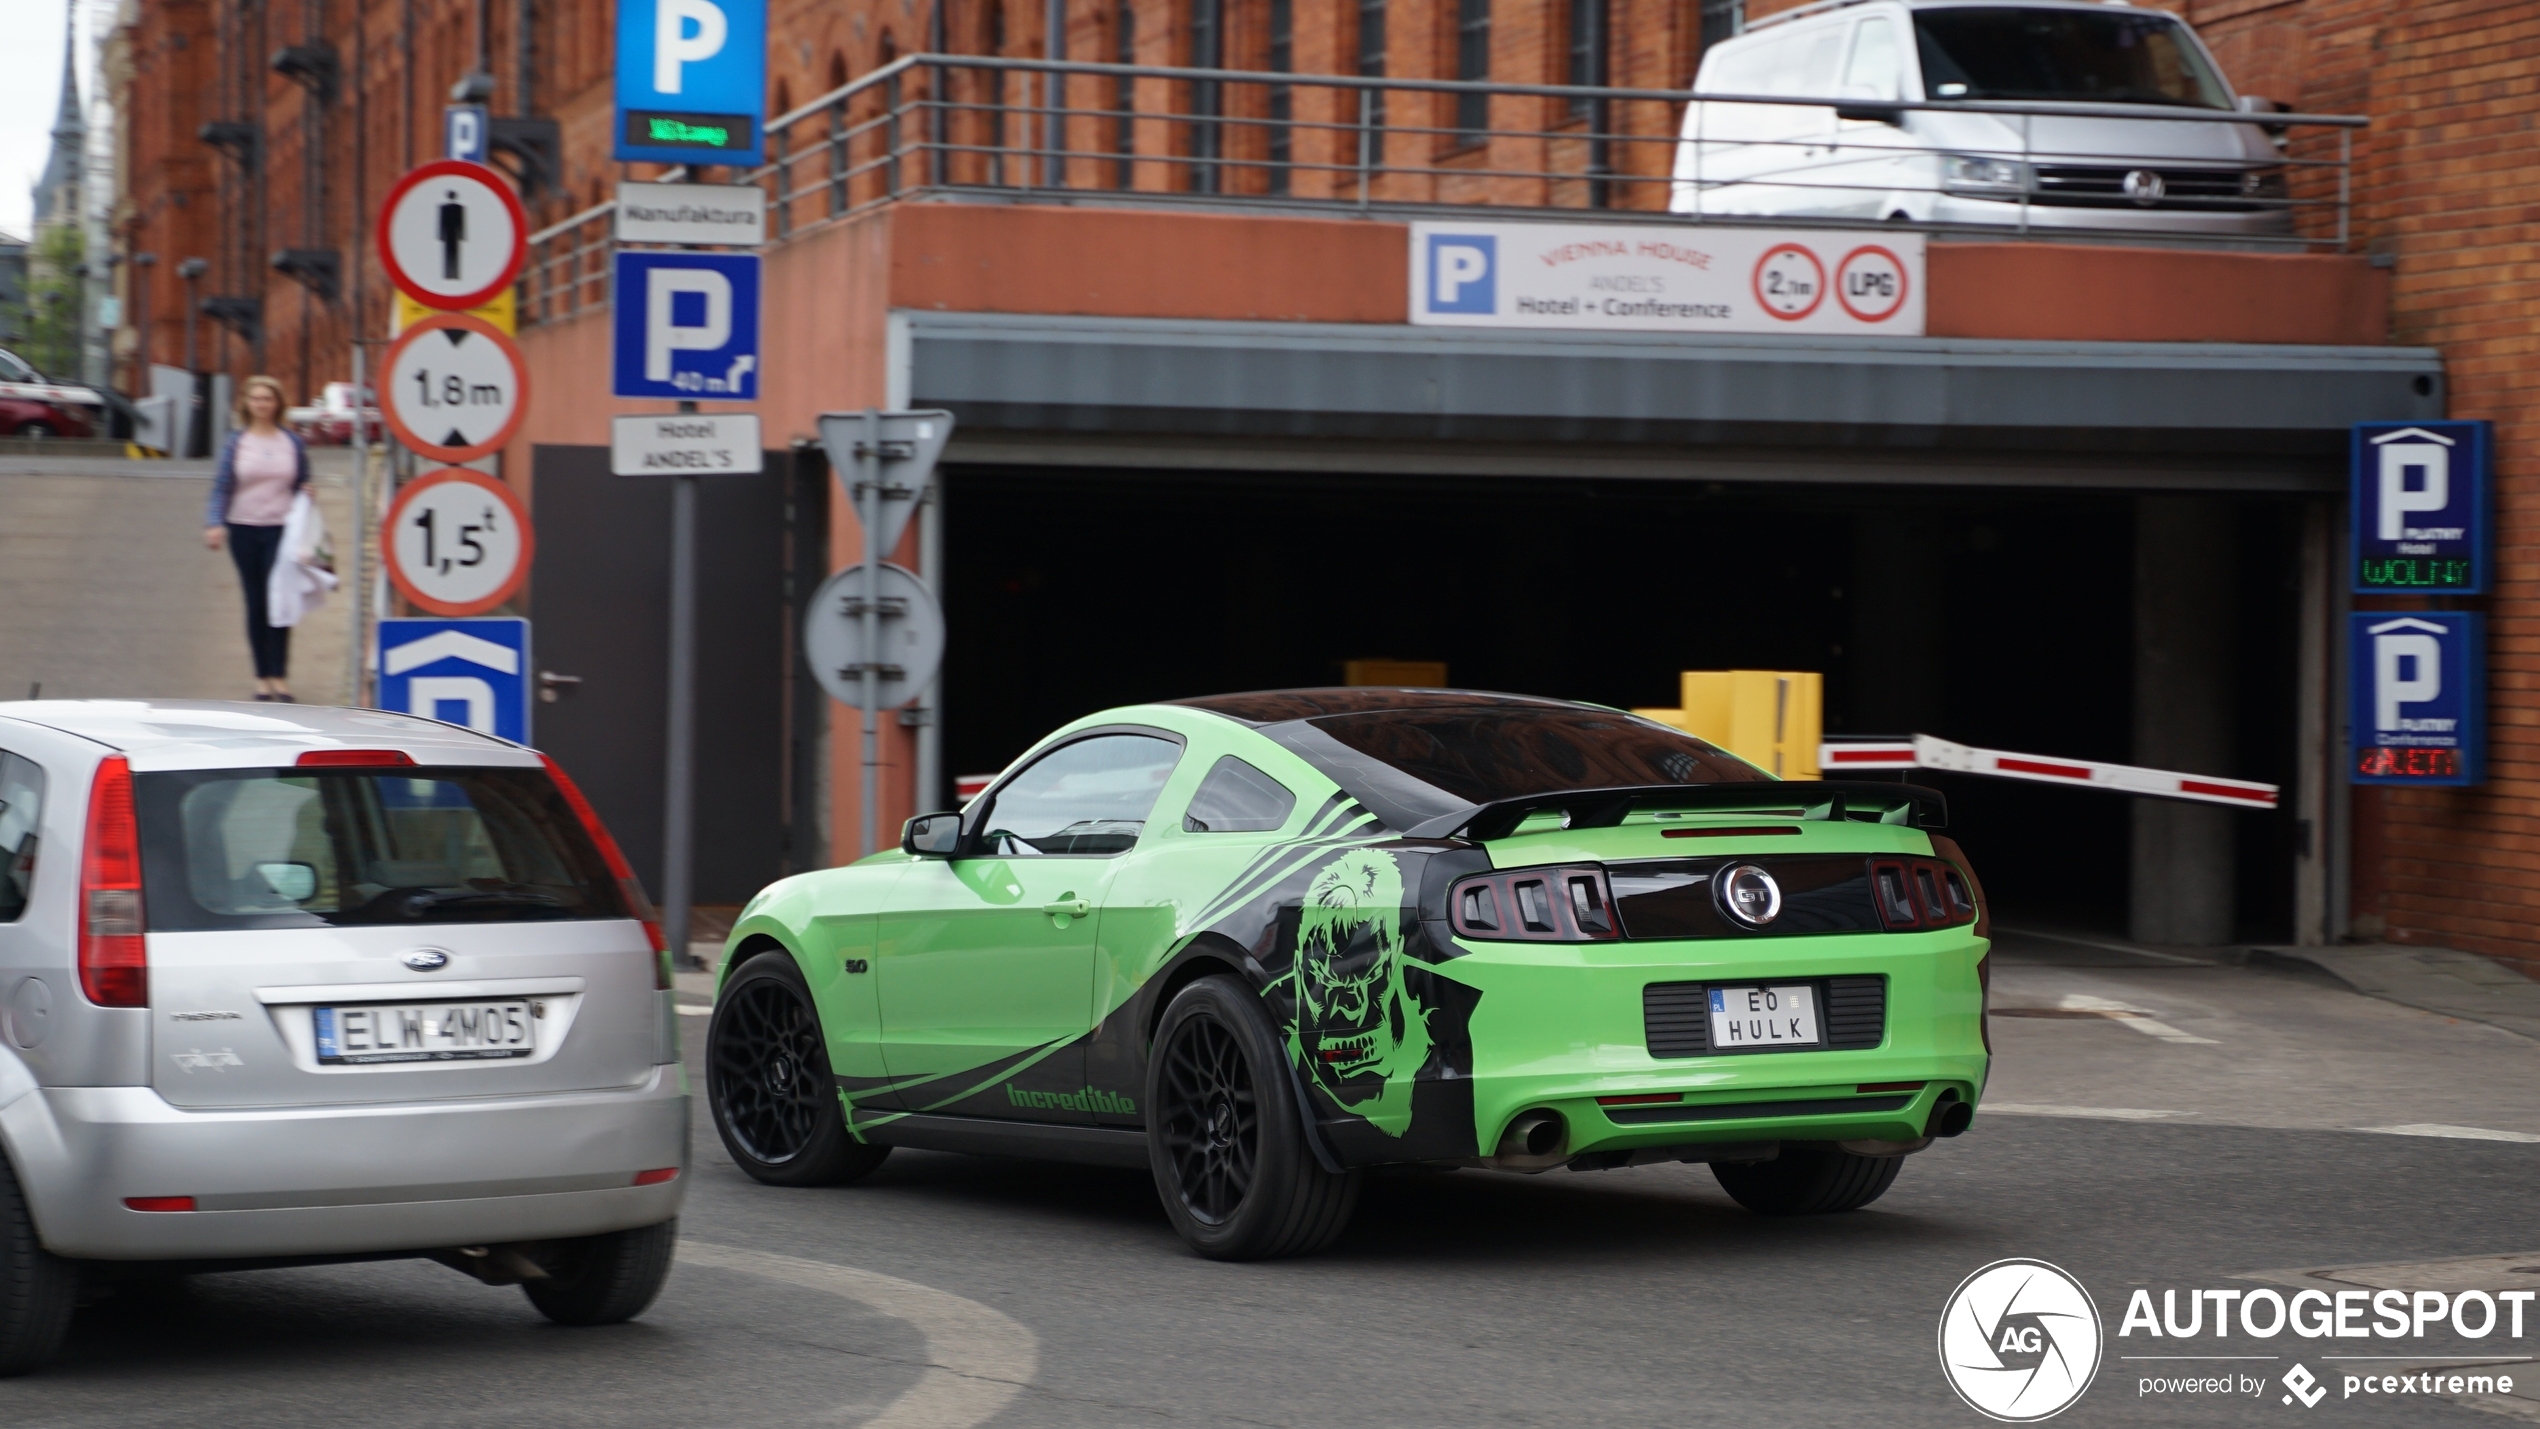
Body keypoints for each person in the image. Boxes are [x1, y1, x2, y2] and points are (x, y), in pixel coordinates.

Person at [203, 376, 311, 701]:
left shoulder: (292, 442)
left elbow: (302, 480)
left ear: (278, 403)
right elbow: (222, 486)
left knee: (280, 600)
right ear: (247, 404)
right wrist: (214, 523)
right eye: (256, 399)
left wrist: (307, 493)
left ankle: (280, 676)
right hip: (244, 528)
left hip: (282, 529)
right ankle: (261, 676)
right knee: (256, 601)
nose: (262, 404)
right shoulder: (237, 443)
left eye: (268, 398)